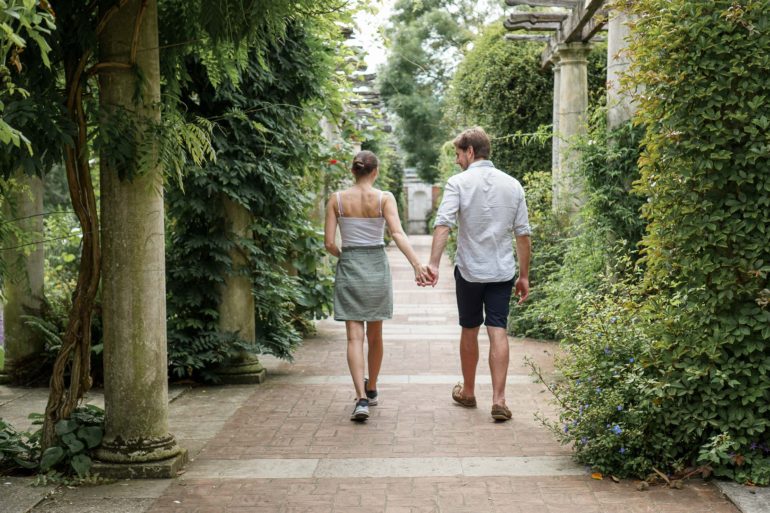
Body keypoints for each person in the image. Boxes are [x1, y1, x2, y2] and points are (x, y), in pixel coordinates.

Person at [425, 127, 531, 421]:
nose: (458, 160)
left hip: (470, 271)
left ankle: (469, 392)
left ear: (470, 151)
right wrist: (524, 276)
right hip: (501, 271)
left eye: (459, 154)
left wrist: (433, 265)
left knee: (470, 328)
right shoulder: (513, 185)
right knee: (498, 329)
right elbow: (523, 235)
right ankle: (499, 400)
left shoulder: (458, 183)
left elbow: (444, 224)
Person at [324, 150, 432, 421]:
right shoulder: (385, 198)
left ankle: (360, 397)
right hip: (376, 268)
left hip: (350, 266)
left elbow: (329, 243)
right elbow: (397, 233)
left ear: (353, 171)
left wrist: (346, 255)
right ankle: (372, 387)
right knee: (375, 334)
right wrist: (418, 265)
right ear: (376, 171)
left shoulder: (336, 200)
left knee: (353, 336)